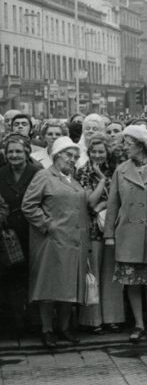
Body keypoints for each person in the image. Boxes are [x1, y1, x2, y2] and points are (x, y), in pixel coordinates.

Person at [21, 137, 90, 348]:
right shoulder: (44, 175)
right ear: (56, 155)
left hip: (74, 242)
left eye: (76, 157)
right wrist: (47, 224)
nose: (73, 160)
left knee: (69, 287)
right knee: (49, 287)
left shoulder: (72, 179)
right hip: (51, 242)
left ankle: (64, 327)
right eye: (69, 155)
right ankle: (47, 329)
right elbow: (28, 205)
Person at [104, 126, 147, 343]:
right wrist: (109, 235)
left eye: (129, 143)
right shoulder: (120, 171)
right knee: (132, 282)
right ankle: (138, 324)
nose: (125, 146)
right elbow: (112, 205)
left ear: (142, 145)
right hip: (127, 235)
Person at [75, 133, 122, 333]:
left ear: (107, 152)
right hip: (92, 229)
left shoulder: (117, 170)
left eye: (101, 151)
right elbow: (89, 203)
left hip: (112, 228)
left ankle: (113, 317)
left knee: (111, 274)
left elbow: (119, 199)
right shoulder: (84, 171)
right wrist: (102, 180)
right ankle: (92, 320)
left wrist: (104, 202)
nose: (97, 155)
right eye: (93, 151)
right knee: (92, 273)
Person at [0, 134, 42, 335]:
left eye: (18, 151)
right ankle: (16, 324)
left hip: (33, 230)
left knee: (33, 276)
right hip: (8, 234)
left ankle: (35, 322)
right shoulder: (1, 174)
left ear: (26, 152)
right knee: (12, 278)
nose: (14, 155)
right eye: (10, 152)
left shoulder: (37, 172)